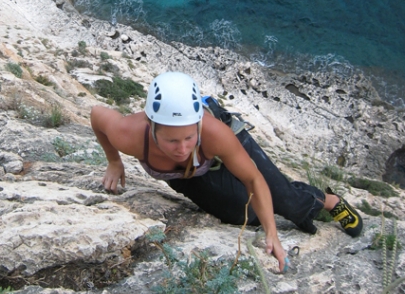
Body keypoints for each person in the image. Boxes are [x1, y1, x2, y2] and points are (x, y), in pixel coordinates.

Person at [90, 71, 363, 272]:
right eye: (172, 140)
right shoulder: (129, 135)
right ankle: (285, 193)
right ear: (152, 126)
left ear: (197, 125)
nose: (182, 148)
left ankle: (328, 201)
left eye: (188, 137)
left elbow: (252, 179)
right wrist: (114, 161)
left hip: (219, 148)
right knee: (239, 214)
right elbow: (97, 115)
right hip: (187, 176)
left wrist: (272, 234)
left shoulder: (213, 134)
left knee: (283, 199)